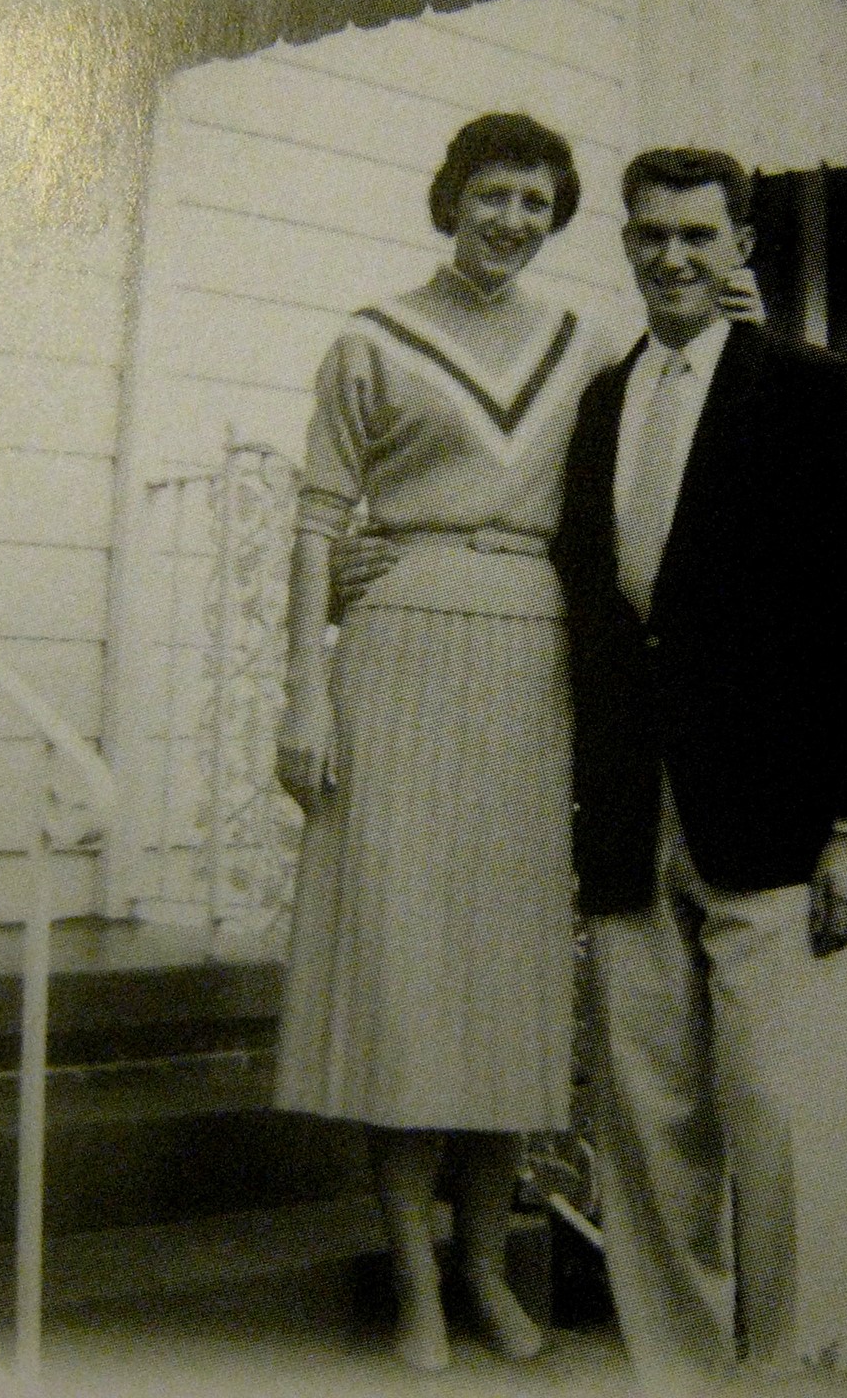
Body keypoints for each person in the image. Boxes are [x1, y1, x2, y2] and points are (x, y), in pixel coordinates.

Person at [547, 148, 847, 1384]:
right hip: (631, 822)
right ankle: (679, 1375)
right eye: (649, 235)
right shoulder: (600, 401)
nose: (671, 257)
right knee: (650, 1138)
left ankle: (798, 1368)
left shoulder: (809, 390)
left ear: (741, 244)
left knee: (790, 1125)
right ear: (627, 243)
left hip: (775, 819)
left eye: (697, 235)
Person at [272, 112, 597, 1373]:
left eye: (533, 199)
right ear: (447, 199)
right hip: (398, 654)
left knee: (503, 982)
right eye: (489, 194)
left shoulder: (585, 347)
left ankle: (482, 1265)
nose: (509, 219)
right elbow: (315, 522)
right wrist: (304, 690)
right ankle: (413, 1281)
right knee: (403, 979)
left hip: (531, 657)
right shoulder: (370, 338)